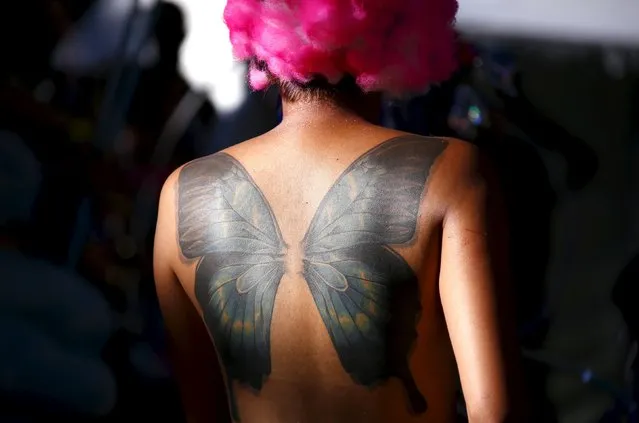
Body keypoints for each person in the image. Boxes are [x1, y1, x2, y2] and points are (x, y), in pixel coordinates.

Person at [153, 1, 523, 422]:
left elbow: (203, 411)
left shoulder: (183, 194)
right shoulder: (451, 174)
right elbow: (495, 412)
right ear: (402, 28)